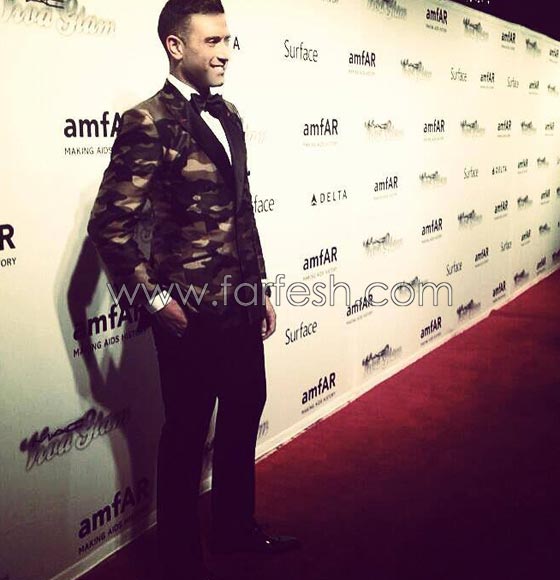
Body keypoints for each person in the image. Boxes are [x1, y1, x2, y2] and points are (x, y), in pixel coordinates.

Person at [87, 1, 300, 578]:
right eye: (212, 41)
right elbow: (109, 227)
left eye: (228, 40)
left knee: (244, 411)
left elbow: (242, 211)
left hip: (239, 304)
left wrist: (259, 288)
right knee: (185, 433)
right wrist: (157, 301)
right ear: (175, 47)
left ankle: (234, 528)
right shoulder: (147, 120)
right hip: (188, 314)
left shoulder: (229, 114)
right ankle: (180, 559)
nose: (226, 52)